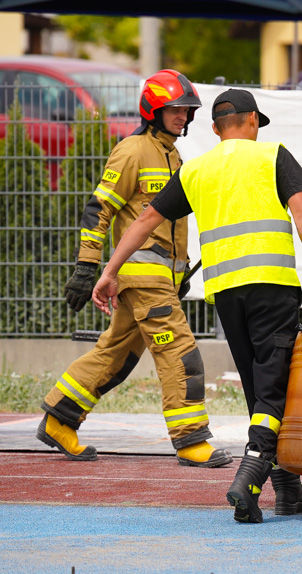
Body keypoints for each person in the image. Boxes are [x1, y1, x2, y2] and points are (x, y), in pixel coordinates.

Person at [91, 88, 302, 524]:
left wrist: (109, 271)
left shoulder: (196, 169)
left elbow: (145, 219)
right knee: (276, 386)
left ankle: (288, 488)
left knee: (260, 387)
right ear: (253, 121)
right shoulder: (272, 154)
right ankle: (249, 477)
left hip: (226, 293)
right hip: (272, 286)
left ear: (217, 129)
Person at [37, 70, 231, 469]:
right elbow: (99, 209)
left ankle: (59, 418)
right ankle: (190, 438)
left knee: (116, 355)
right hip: (142, 278)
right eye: (175, 110)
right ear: (153, 110)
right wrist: (86, 269)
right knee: (180, 353)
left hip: (163, 279)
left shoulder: (174, 156)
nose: (183, 116)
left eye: (187, 110)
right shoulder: (132, 151)